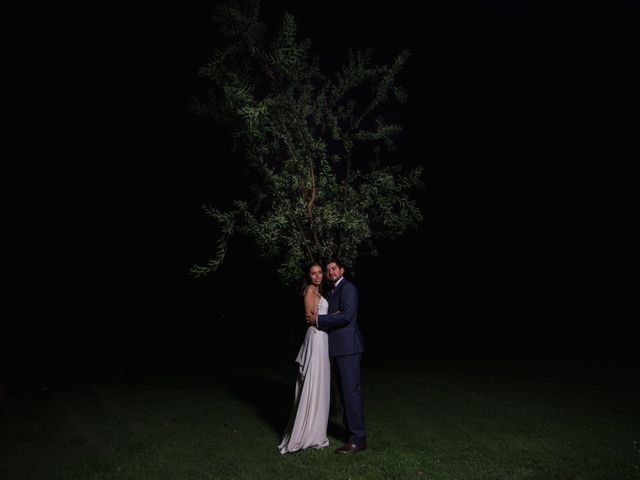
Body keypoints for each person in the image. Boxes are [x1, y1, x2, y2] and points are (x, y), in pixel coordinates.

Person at [307, 259, 367, 454]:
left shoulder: (347, 288)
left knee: (351, 394)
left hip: (349, 348)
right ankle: (352, 435)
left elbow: (346, 315)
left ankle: (358, 440)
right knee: (345, 394)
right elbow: (337, 315)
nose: (331, 272)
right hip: (338, 349)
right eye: (328, 270)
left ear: (342, 270)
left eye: (334, 269)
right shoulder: (333, 291)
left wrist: (320, 320)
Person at [278, 262, 331, 454]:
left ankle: (316, 428)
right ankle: (307, 432)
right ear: (308, 276)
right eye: (313, 273)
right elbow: (310, 317)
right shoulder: (310, 291)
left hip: (322, 337)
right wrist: (330, 319)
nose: (317, 276)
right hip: (316, 337)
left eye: (319, 273)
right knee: (312, 381)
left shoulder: (318, 292)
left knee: (320, 382)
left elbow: (319, 316)